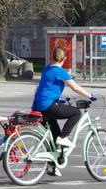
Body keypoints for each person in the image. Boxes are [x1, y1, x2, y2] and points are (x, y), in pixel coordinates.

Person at [32, 47, 96, 176]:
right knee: (76, 113)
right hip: (48, 106)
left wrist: (60, 99)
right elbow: (75, 87)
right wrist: (89, 96)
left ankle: (52, 166)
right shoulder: (60, 72)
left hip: (39, 106)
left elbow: (47, 87)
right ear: (65, 58)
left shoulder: (47, 68)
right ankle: (63, 137)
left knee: (54, 136)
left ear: (52, 56)